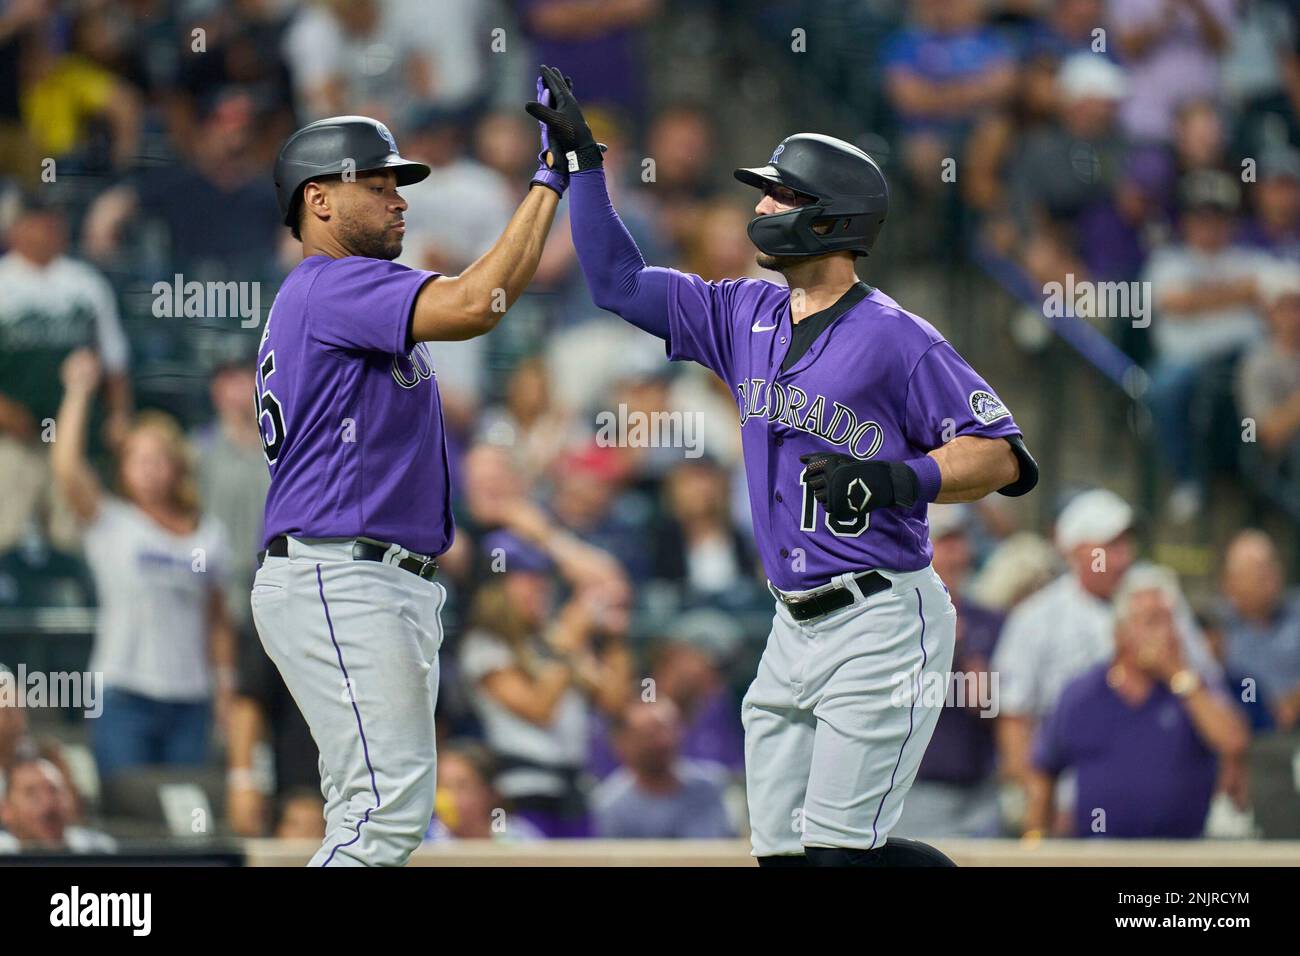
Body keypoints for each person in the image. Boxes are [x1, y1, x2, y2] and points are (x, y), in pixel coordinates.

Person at [532, 66, 1040, 866]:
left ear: (830, 220)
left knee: (837, 853)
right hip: (789, 622)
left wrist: (901, 479)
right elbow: (617, 282)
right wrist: (587, 171)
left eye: (781, 196)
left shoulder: (896, 335)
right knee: (785, 858)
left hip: (879, 616)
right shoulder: (744, 311)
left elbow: (1003, 456)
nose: (761, 208)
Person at [249, 106, 564, 866]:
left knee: (368, 813)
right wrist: (549, 181)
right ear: (319, 200)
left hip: (366, 579)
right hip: (343, 575)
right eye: (379, 184)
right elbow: (474, 304)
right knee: (385, 815)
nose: (400, 200)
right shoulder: (332, 284)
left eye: (401, 185)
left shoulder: (336, 294)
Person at [51, 350, 236, 782]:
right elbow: (65, 468)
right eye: (137, 459)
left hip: (190, 699)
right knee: (128, 817)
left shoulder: (209, 533)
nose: (148, 470)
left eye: (157, 459)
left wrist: (224, 689)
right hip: (124, 693)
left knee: (183, 816)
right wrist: (78, 392)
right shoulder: (111, 522)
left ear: (176, 466)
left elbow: (219, 621)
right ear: (124, 468)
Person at [992, 489, 1220, 801]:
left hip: (1166, 782)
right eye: (1110, 546)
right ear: (1076, 551)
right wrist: (1037, 798)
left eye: (1127, 543)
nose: (1123, 557)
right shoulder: (1035, 618)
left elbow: (1207, 682)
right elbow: (1014, 719)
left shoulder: (1161, 598)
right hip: (1067, 794)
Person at [1026, 566, 1249, 838]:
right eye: (1153, 621)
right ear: (1120, 634)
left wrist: (1178, 675)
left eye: (1171, 621)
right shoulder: (1083, 694)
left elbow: (1234, 742)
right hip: (1097, 857)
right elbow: (1044, 768)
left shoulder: (1191, 687)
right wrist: (1035, 843)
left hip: (1182, 858)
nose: (1166, 633)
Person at [459, 530, 631, 838]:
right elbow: (539, 708)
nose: (541, 590)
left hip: (575, 788)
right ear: (498, 589)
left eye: (543, 582)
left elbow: (613, 701)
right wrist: (567, 642)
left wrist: (614, 639)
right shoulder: (483, 645)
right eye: (528, 582)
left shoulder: (551, 638)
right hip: (525, 790)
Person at [0, 193, 131, 553]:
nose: (44, 231)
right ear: (14, 230)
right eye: (34, 222)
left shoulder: (86, 284)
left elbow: (115, 362)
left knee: (77, 539)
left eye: (50, 223)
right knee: (5, 534)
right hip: (12, 439)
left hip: (76, 437)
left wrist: (119, 415)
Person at [894, 504, 1004, 839]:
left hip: (981, 792)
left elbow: (991, 708)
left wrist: (968, 657)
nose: (956, 555)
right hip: (915, 790)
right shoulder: (895, 621)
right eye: (945, 543)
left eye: (960, 542)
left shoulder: (990, 622)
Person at [592, 699, 735, 839]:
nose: (663, 741)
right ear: (623, 743)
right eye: (649, 734)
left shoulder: (711, 788)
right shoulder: (612, 806)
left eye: (668, 730)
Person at [1218, 529, 1300, 731]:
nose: (1268, 574)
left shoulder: (1296, 612)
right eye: (1257, 569)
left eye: (1271, 563)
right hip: (1248, 736)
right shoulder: (1217, 628)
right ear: (1231, 583)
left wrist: (1294, 701)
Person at [424, 741, 543, 842]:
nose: (449, 796)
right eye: (442, 786)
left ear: (488, 793)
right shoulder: (423, 840)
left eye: (461, 786)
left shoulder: (517, 837)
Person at [0, 752, 116, 854]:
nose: (48, 802)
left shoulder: (101, 851)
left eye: (54, 790)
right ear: (5, 810)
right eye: (32, 794)